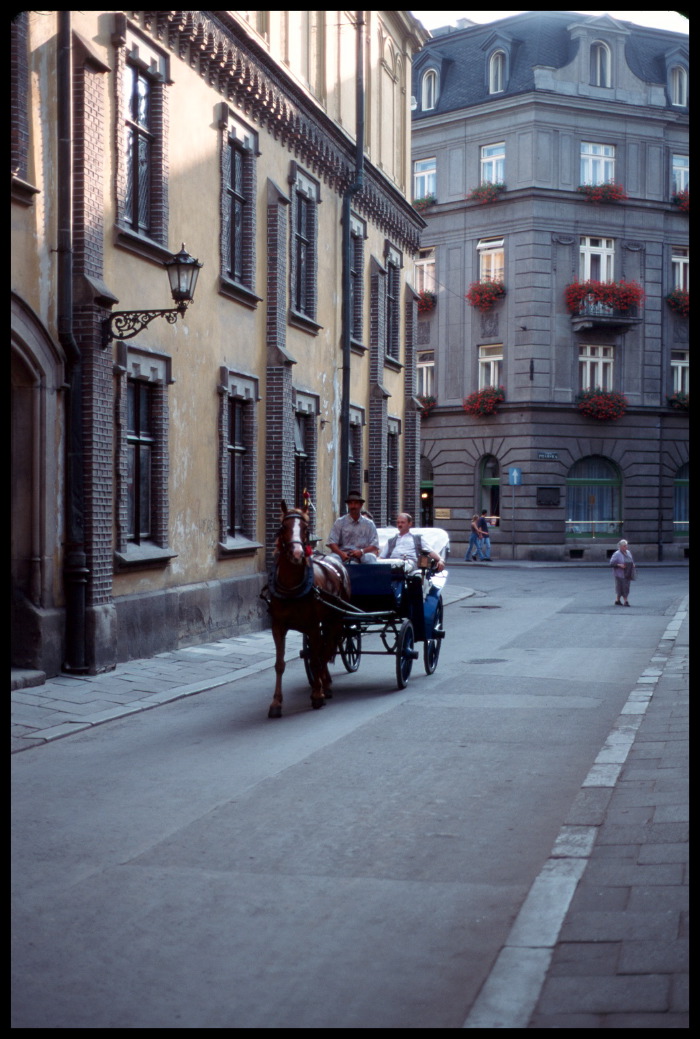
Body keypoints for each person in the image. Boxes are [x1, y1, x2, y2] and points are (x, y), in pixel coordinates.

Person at [379, 512, 445, 572]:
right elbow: (382, 557)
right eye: (398, 522)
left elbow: (430, 551)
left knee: (402, 566)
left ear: (410, 524)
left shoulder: (417, 539)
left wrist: (440, 560)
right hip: (392, 562)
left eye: (402, 522)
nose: (399, 524)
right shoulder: (391, 541)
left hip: (409, 562)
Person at [327, 491, 379, 565]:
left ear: (361, 505)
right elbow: (332, 542)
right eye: (350, 503)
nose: (353, 506)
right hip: (343, 554)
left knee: (370, 558)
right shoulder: (339, 522)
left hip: (363, 554)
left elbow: (375, 545)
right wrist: (341, 554)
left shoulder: (369, 524)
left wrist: (361, 551)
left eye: (356, 503)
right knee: (331, 559)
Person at [609, 539, 635, 606]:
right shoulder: (617, 554)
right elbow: (611, 563)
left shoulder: (628, 552)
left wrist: (633, 564)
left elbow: (631, 560)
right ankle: (626, 601)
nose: (626, 547)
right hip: (620, 574)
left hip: (628, 572)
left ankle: (617, 600)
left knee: (623, 587)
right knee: (623, 587)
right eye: (624, 546)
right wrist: (619, 565)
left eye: (626, 545)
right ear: (620, 547)